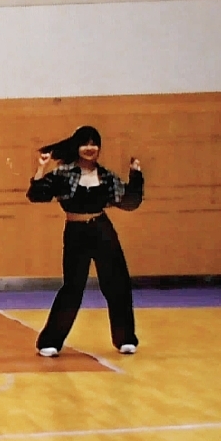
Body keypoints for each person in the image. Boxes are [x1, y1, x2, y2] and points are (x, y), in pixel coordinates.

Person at [27, 125, 143, 357]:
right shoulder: (63, 173)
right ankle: (50, 341)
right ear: (76, 146)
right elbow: (37, 195)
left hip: (102, 230)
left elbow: (129, 202)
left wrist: (136, 175)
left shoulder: (106, 176)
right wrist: (41, 168)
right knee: (72, 287)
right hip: (75, 232)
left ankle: (125, 339)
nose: (90, 148)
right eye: (85, 143)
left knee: (117, 284)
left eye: (94, 144)